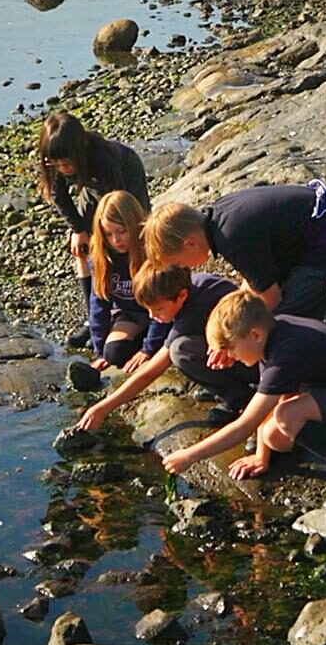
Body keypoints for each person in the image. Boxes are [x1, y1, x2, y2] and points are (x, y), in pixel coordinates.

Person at [162, 290, 326, 514]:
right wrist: (261, 456)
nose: (230, 356)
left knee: (288, 416)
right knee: (274, 437)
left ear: (255, 335)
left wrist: (189, 456)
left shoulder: (286, 351)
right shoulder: (272, 333)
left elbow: (245, 425)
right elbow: (275, 398)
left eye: (230, 348)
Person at [143, 181, 326, 320]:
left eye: (180, 262)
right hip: (320, 231)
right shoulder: (218, 218)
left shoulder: (231, 237)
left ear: (190, 244)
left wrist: (234, 334)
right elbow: (255, 279)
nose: (184, 268)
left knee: (282, 320)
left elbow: (271, 298)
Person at [75, 263, 258, 432]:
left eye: (159, 309)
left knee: (180, 351)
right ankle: (226, 388)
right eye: (148, 310)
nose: (152, 316)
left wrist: (103, 408)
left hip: (254, 359)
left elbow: (150, 372)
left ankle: (241, 399)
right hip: (239, 349)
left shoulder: (193, 309)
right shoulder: (194, 285)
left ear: (182, 296)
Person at [37, 112, 150, 349]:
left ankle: (139, 303)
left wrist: (105, 235)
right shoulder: (54, 159)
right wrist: (78, 229)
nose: (63, 168)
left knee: (127, 238)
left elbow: (117, 205)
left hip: (124, 184)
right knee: (83, 248)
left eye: (67, 163)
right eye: (57, 164)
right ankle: (93, 318)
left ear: (79, 151)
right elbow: (58, 195)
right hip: (91, 187)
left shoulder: (103, 159)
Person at [85, 191, 170, 372]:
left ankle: (157, 340)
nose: (116, 240)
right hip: (132, 315)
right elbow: (98, 305)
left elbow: (165, 300)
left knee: (160, 344)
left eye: (122, 231)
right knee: (113, 354)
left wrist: (147, 349)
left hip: (165, 312)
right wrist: (99, 351)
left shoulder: (153, 252)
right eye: (108, 234)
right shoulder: (101, 258)